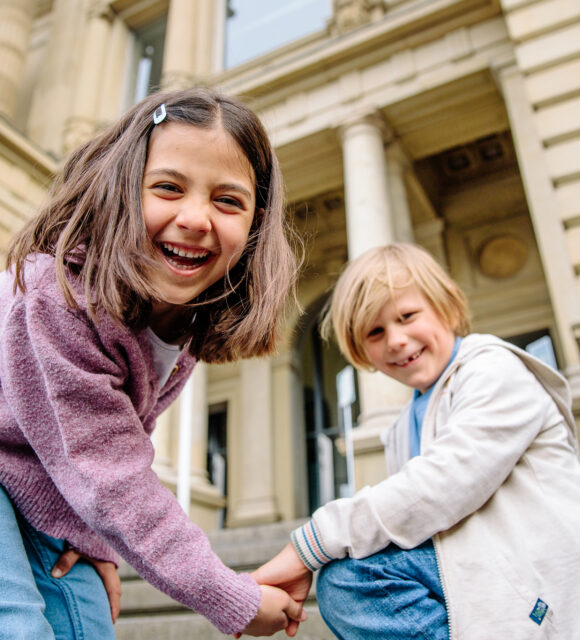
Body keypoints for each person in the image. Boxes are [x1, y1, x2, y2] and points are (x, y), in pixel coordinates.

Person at [0, 87, 307, 639]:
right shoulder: (61, 297)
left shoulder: (180, 324)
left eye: (228, 201)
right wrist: (229, 595)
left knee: (88, 619)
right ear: (121, 191)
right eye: (168, 187)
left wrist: (98, 546)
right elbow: (110, 472)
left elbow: (117, 437)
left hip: (33, 476)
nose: (195, 218)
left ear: (256, 225)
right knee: (17, 623)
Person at [253, 243, 580, 639]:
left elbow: (445, 484)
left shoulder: (494, 370)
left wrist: (313, 543)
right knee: (348, 578)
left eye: (407, 317)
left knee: (350, 581)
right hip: (479, 575)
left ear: (446, 308)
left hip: (536, 580)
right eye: (375, 332)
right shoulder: (404, 424)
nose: (396, 340)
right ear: (361, 351)